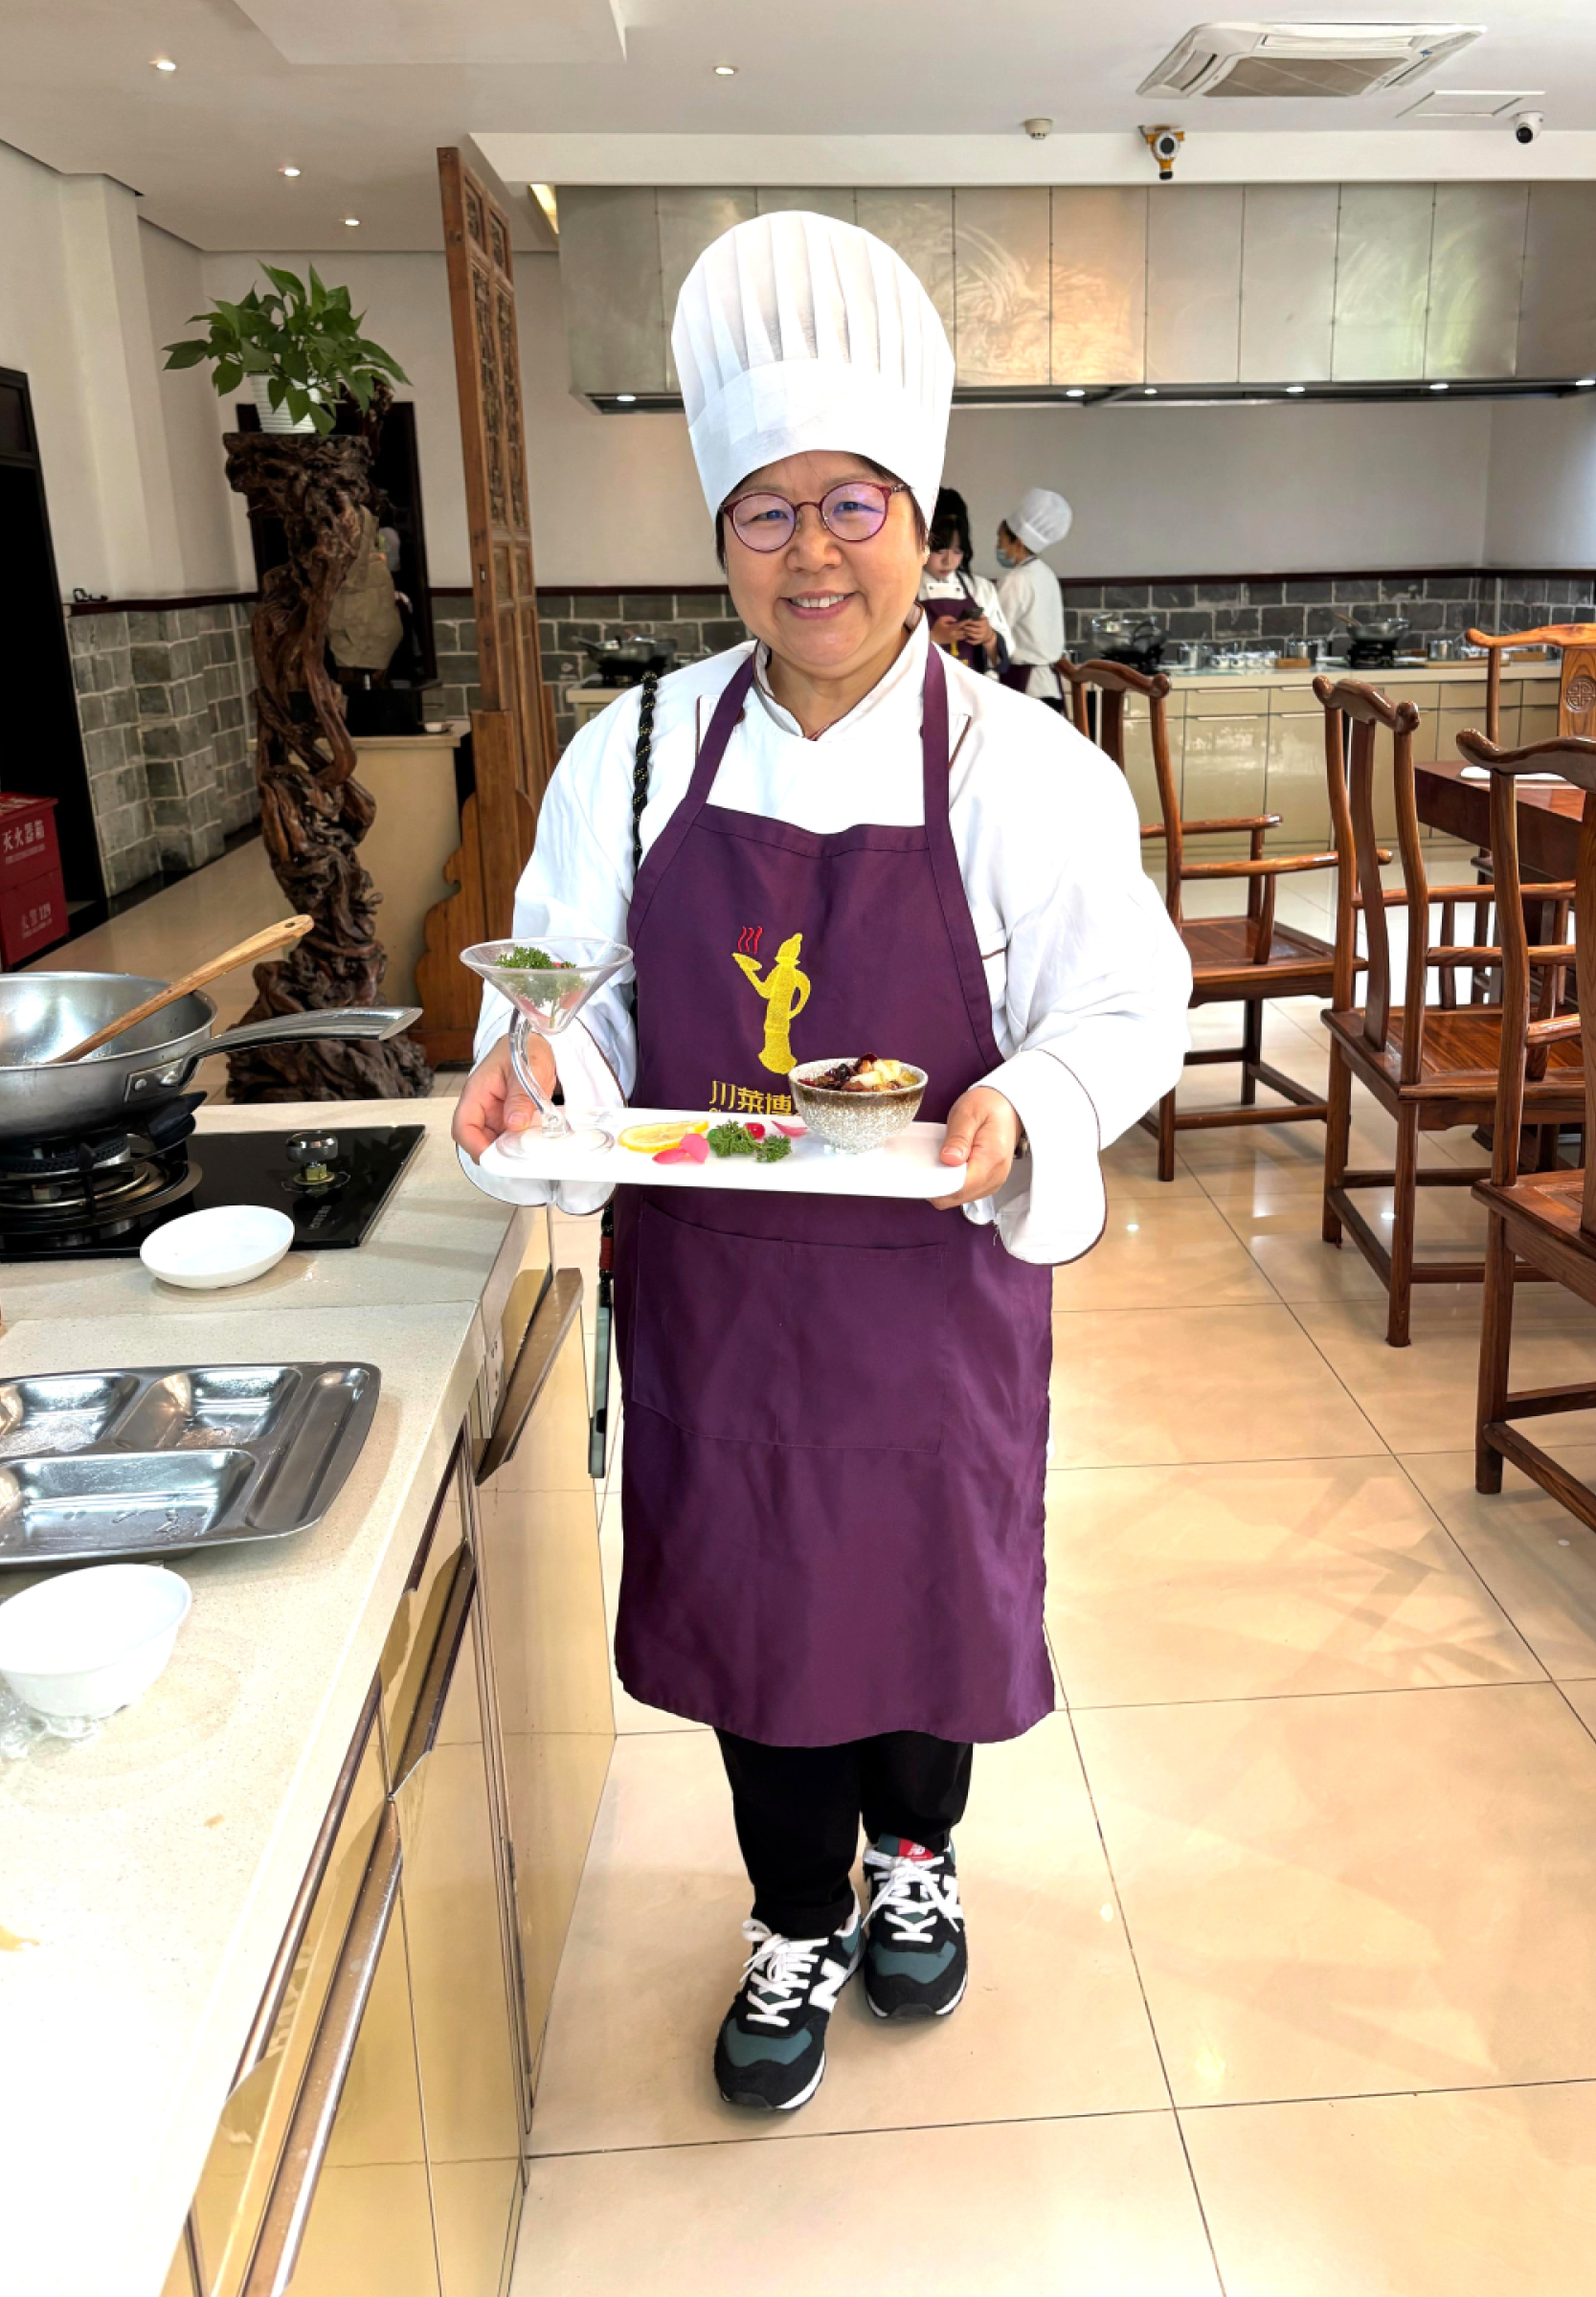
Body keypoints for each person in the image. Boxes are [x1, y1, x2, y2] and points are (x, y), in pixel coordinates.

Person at [451, 211, 1188, 2116]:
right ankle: (794, 1913)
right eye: (766, 513)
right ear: (722, 541)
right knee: (763, 1618)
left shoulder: (1025, 769)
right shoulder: (633, 755)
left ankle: (917, 1857)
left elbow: (1126, 1004)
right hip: (720, 1302)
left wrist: (1034, 1100)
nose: (813, 552)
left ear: (921, 526)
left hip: (936, 1294)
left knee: (931, 1599)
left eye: (852, 503)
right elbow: (582, 1007)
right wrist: (541, 1073)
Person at [920, 486, 1012, 677]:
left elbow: (1006, 651)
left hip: (971, 692)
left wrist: (989, 637)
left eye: (957, 551)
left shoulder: (980, 589)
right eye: (939, 550)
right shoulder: (905, 589)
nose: (948, 561)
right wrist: (931, 639)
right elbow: (885, 654)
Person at [995, 488, 1073, 709]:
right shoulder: (1047, 574)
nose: (999, 547)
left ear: (1018, 542)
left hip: (1025, 686)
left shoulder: (1015, 580)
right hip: (1050, 686)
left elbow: (996, 631)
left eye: (1001, 540)